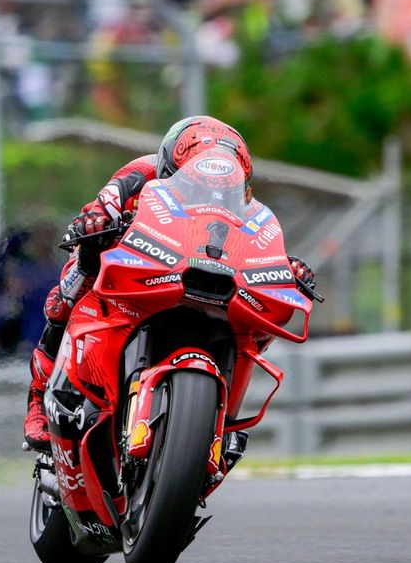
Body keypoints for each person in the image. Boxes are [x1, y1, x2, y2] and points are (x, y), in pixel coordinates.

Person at [23, 115, 316, 451]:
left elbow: (258, 243)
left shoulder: (247, 206)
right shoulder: (137, 175)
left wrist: (285, 269)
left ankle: (220, 424)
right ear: (171, 168)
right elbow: (100, 207)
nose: (211, 193)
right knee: (71, 285)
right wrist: (93, 223)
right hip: (134, 265)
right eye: (198, 185)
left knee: (258, 317)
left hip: (201, 276)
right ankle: (38, 399)